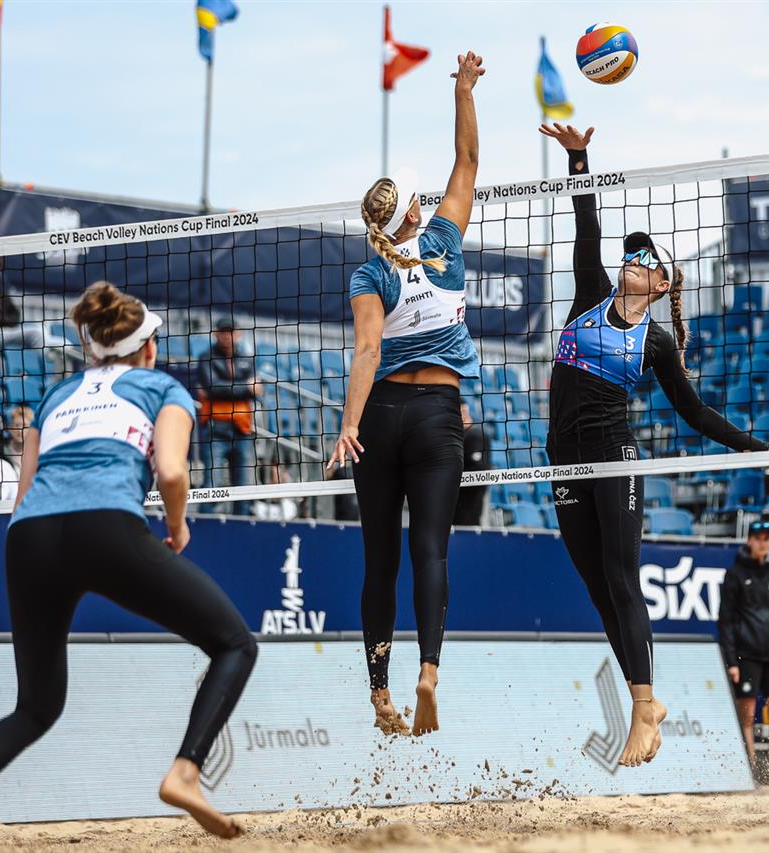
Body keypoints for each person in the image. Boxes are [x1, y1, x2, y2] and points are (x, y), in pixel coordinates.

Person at [539, 121, 769, 767]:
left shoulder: (654, 341)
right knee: (597, 587)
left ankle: (640, 706)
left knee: (621, 577)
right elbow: (585, 226)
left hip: (612, 453)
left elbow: (695, 412)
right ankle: (648, 702)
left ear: (659, 284)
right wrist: (579, 161)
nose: (632, 260)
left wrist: (759, 449)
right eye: (631, 256)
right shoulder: (590, 295)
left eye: (645, 259)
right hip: (562, 457)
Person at [0, 282, 257, 838]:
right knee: (235, 645)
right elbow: (172, 473)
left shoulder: (56, 395)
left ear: (94, 347)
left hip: (28, 537)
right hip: (103, 525)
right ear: (147, 348)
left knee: (36, 707)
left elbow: (23, 496)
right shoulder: (163, 387)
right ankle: (185, 773)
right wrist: (177, 527)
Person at [328, 51, 485, 738]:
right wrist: (463, 90)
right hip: (436, 417)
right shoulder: (444, 241)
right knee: (431, 550)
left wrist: (348, 425)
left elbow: (366, 352)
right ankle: (428, 671)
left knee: (379, 562)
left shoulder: (370, 273)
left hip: (381, 418)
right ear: (415, 213)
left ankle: (380, 691)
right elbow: (467, 161)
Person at [719, 520, 769, 796]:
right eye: (758, 538)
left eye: (767, 538)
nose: (763, 543)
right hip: (746, 655)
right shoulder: (735, 575)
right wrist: (731, 661)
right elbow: (726, 621)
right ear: (749, 540)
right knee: (748, 717)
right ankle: (749, 775)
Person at [195, 318, 260, 514]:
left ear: (238, 334)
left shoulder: (247, 359)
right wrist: (245, 388)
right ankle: (204, 527)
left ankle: (242, 528)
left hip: (242, 430)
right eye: (223, 331)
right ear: (216, 334)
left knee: (243, 489)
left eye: (230, 331)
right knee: (211, 487)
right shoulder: (206, 357)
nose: (227, 336)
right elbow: (212, 387)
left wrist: (227, 389)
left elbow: (256, 390)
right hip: (215, 429)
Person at [453, 400, 491, 526]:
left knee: (467, 531)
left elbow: (479, 469)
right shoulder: (455, 436)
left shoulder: (475, 435)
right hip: (455, 500)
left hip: (469, 500)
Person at [3, 404, 34, 472]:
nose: (20, 430)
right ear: (9, 428)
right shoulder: (2, 451)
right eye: (17, 425)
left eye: (24, 426)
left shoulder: (36, 452)